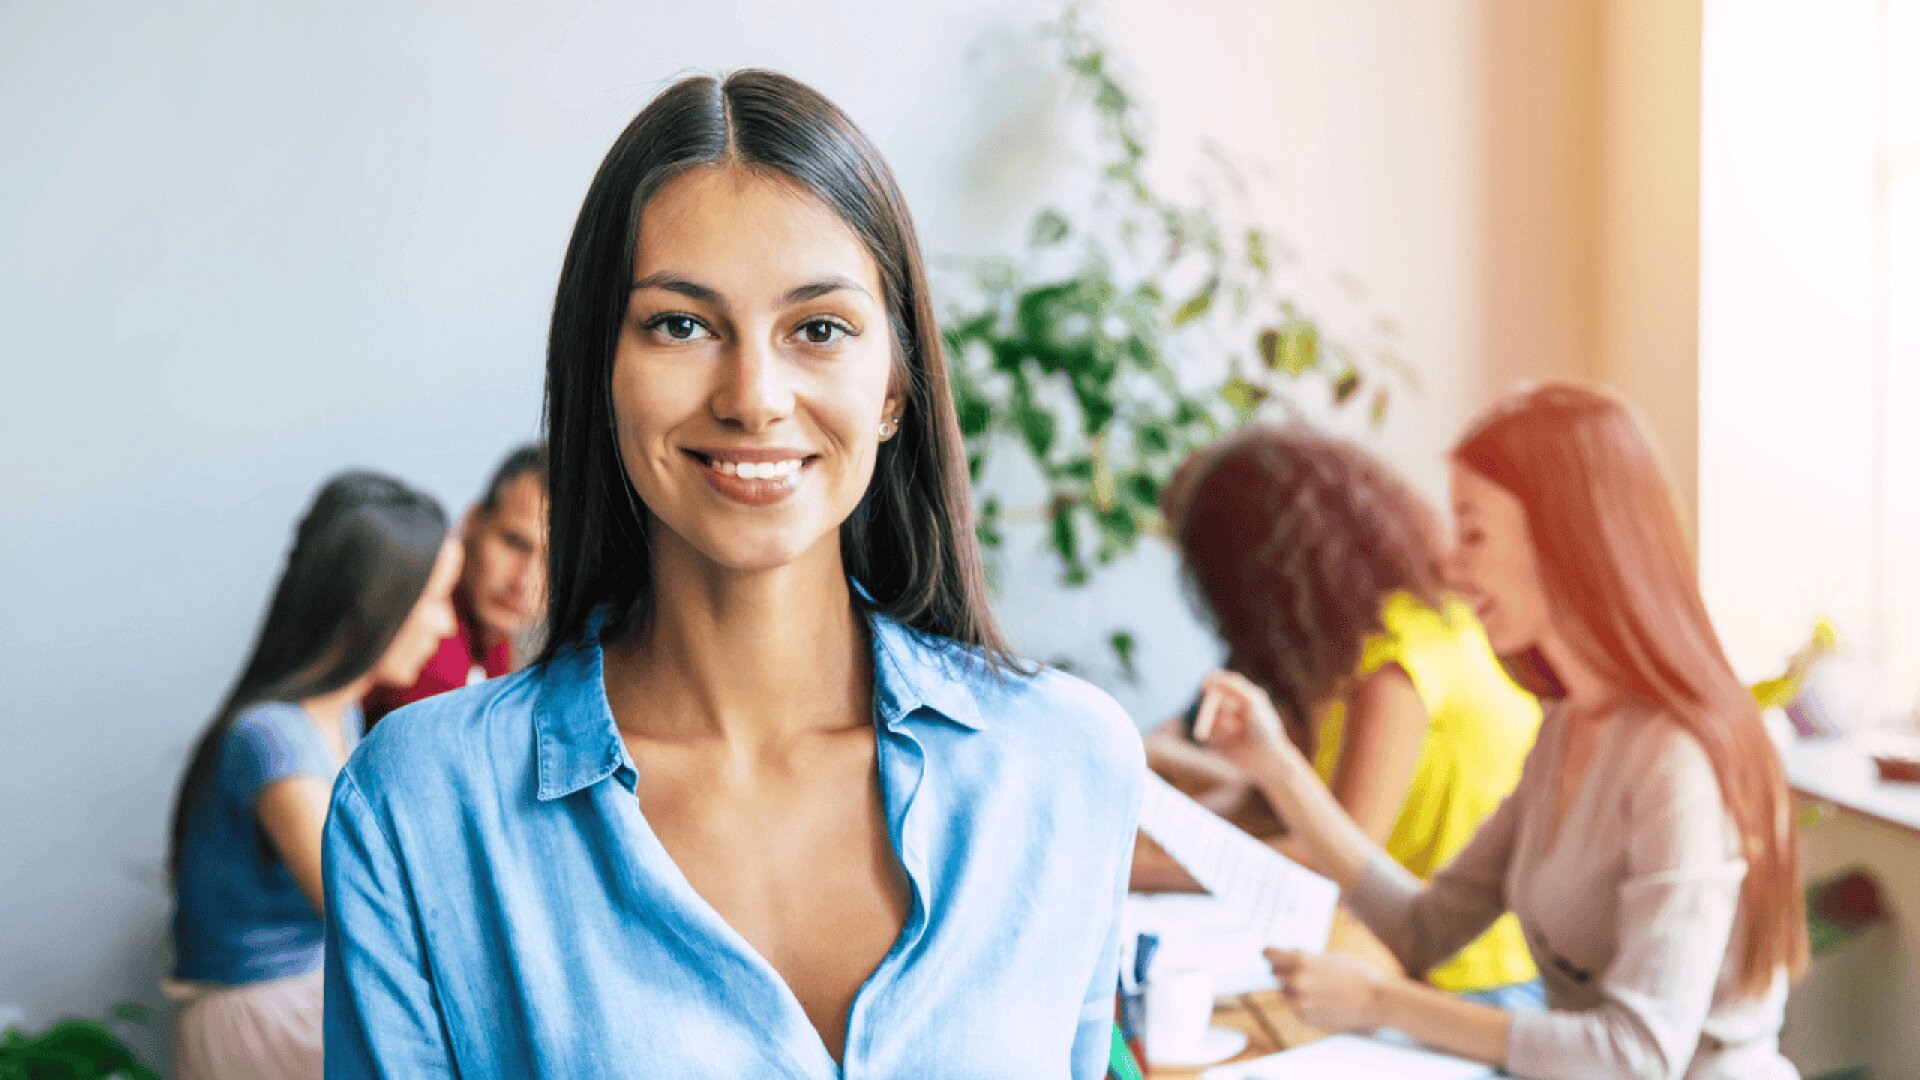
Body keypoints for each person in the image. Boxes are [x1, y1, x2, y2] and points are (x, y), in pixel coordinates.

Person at [322, 70, 1143, 1079]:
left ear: (894, 387)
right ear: (600, 373)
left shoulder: (1068, 763)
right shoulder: (419, 804)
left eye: (820, 328)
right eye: (681, 323)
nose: (754, 397)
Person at [1194, 384, 1807, 1078]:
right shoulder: (1565, 728)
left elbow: (1637, 1055)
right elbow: (1424, 929)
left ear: (1568, 541)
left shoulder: (1679, 759)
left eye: (1475, 533)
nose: (1451, 565)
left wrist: (1384, 1002)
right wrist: (1277, 767)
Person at [1136, 425, 1544, 1007]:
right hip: (1418, 963)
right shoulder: (1409, 630)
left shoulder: (1397, 670)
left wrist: (1135, 873)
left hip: (1472, 986)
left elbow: (1330, 859)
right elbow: (1293, 808)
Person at [164, 472, 461, 1080]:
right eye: (433, 599)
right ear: (375, 603)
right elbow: (362, 907)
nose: (446, 627)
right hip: (261, 1014)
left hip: (302, 996)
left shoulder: (344, 717)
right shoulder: (272, 736)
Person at [364, 442, 548, 723]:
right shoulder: (425, 639)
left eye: (552, 563)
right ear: (473, 521)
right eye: (514, 543)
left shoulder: (496, 643)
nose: (524, 581)